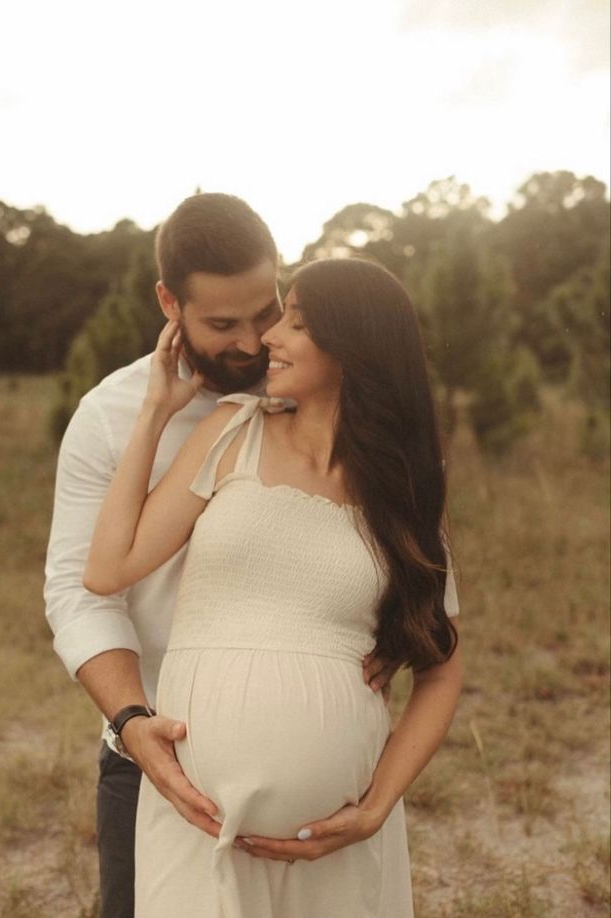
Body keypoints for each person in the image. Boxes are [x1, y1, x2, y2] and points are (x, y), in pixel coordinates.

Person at [44, 196, 394, 918]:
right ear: (168, 302)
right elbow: (83, 593)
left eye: (266, 313)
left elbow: (385, 545)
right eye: (222, 325)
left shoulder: (320, 390)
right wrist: (133, 722)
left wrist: (394, 633)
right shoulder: (109, 420)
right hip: (150, 751)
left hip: (317, 772)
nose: (252, 342)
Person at [83, 257, 462, 917]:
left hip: (336, 844)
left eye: (297, 323)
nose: (269, 340)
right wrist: (151, 414)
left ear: (355, 348)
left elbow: (443, 667)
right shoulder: (232, 432)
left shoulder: (404, 486)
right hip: (196, 818)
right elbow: (108, 569)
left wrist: (376, 807)